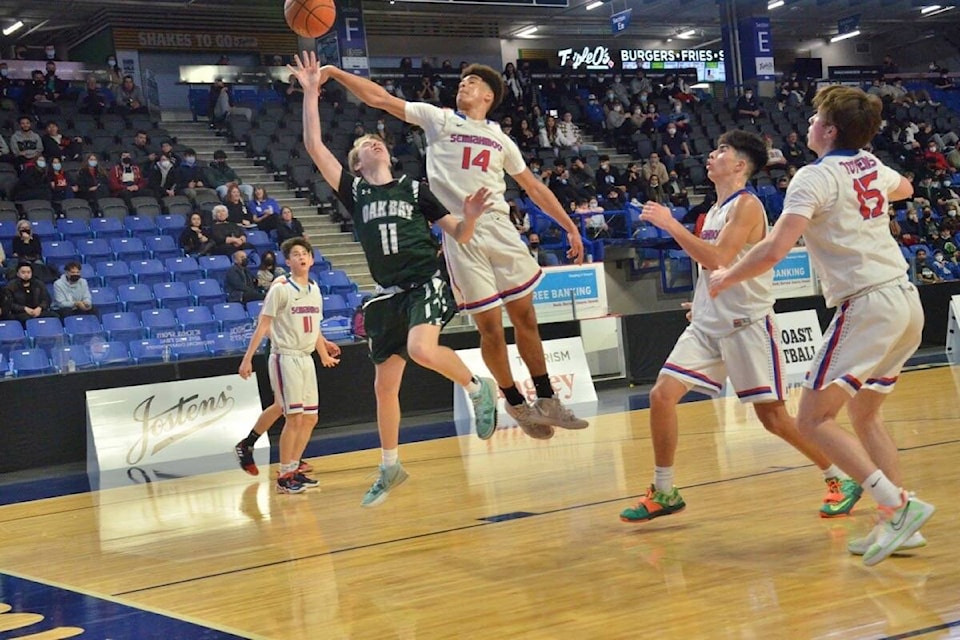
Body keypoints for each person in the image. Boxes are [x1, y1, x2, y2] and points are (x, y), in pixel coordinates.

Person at [708, 85, 935, 566]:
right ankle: (896, 526)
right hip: (906, 301)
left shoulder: (813, 178)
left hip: (868, 303)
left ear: (829, 130)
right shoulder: (871, 164)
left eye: (814, 119)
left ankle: (897, 505)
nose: (807, 125)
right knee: (865, 415)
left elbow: (772, 250)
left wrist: (727, 275)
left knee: (812, 418)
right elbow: (907, 189)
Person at [316, 57, 589, 437]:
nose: (463, 85)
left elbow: (534, 188)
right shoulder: (439, 119)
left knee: (525, 317)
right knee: (490, 328)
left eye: (472, 82)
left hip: (499, 227)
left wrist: (569, 226)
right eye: (462, 81)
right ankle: (514, 402)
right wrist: (334, 73)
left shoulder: (500, 139)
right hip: (461, 232)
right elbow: (380, 98)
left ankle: (547, 400)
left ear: (488, 95)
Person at [619, 129, 862, 526]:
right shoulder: (714, 210)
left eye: (721, 150)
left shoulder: (746, 206)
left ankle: (839, 478)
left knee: (775, 419)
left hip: (747, 326)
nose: (712, 155)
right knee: (662, 395)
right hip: (708, 326)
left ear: (739, 165)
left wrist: (671, 226)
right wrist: (700, 303)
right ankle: (665, 489)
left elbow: (717, 259)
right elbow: (716, 271)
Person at [289, 51, 500, 505]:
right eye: (365, 145)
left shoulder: (416, 190)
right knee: (384, 387)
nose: (374, 142)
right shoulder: (356, 190)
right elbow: (313, 147)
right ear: (358, 163)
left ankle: (476, 387)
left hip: (425, 281)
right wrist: (311, 94)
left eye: (377, 140)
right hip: (387, 297)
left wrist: (471, 216)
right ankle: (390, 466)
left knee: (424, 348)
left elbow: (459, 236)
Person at [238, 237, 341, 494]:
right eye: (296, 254)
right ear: (288, 261)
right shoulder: (281, 287)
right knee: (292, 415)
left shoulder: (315, 289)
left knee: (309, 418)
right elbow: (262, 324)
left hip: (306, 357)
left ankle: (292, 467)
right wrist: (247, 358)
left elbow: (313, 325)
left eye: (305, 253)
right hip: (285, 356)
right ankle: (284, 474)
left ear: (312, 258)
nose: (302, 257)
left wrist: (323, 348)